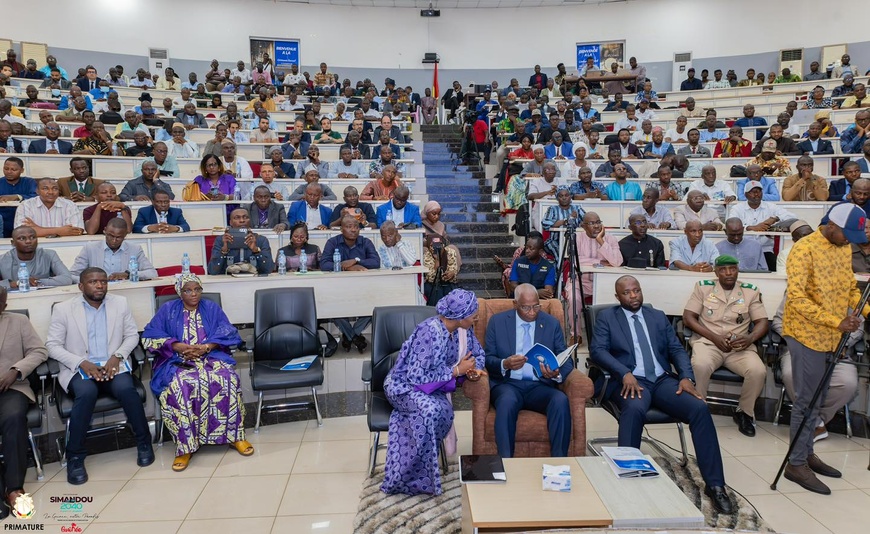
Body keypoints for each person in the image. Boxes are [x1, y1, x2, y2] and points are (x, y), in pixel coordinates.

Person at [590, 275, 732, 513]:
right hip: (631, 381)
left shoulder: (657, 316)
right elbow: (598, 351)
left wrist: (686, 377)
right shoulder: (607, 317)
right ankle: (629, 481)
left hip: (662, 379)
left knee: (699, 408)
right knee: (634, 409)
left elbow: (676, 349)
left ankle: (715, 485)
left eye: (636, 290)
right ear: (617, 296)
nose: (633, 296)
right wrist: (623, 372)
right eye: (627, 293)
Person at [782, 204, 869, 495]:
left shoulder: (843, 248)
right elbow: (797, 299)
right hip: (806, 334)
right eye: (847, 233)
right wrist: (837, 321)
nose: (850, 240)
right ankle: (795, 464)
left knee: (818, 399)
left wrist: (866, 310)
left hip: (832, 336)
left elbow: (850, 287)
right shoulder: (803, 250)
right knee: (806, 401)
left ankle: (806, 453)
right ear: (831, 225)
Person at [46, 267, 154, 485]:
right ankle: (75, 456)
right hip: (80, 368)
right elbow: (52, 345)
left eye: (103, 281)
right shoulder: (63, 309)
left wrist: (117, 356)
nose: (99, 285)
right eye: (93, 282)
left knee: (127, 390)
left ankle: (144, 443)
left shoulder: (120, 303)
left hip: (113, 364)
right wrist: (82, 363)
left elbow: (132, 336)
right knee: (86, 393)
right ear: (81, 286)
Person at [141, 273, 250, 472]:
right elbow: (150, 335)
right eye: (188, 290)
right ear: (179, 292)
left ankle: (235, 436)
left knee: (227, 379)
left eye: (197, 289)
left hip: (211, 357)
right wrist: (177, 346)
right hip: (177, 360)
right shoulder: (168, 310)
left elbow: (228, 331)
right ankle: (185, 447)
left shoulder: (211, 308)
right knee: (181, 386)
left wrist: (206, 347)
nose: (194, 294)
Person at [381, 288, 484, 495]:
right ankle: (404, 479)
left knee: (443, 412)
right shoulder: (428, 332)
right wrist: (456, 371)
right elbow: (416, 375)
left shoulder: (464, 330)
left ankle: (422, 474)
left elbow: (478, 354)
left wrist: (474, 369)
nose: (477, 318)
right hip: (403, 386)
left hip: (433, 387)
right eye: (473, 315)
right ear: (460, 316)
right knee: (430, 412)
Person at [484, 283, 574, 458]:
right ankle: (506, 462)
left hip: (540, 386)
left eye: (536, 307)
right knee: (507, 402)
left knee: (560, 400)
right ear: (515, 304)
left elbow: (565, 359)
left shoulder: (551, 323)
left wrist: (556, 373)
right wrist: (505, 364)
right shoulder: (498, 322)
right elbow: (487, 358)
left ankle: (559, 462)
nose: (532, 312)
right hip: (508, 384)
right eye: (526, 307)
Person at [683, 252, 768, 430]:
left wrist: (750, 338)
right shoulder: (703, 288)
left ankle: (744, 412)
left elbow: (762, 322)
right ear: (716, 272)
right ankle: (698, 409)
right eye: (723, 269)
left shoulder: (750, 291)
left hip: (739, 348)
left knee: (758, 371)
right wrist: (714, 337)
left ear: (738, 270)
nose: (728, 273)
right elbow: (688, 317)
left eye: (732, 269)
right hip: (709, 343)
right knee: (700, 365)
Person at [773, 294, 859, 443]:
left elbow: (858, 327)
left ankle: (815, 421)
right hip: (800, 350)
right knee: (790, 375)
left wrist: (843, 344)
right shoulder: (798, 289)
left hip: (837, 353)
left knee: (848, 384)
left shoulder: (847, 290)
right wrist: (797, 340)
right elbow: (778, 321)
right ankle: (816, 424)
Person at [0, 285, 48, 517]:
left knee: (13, 417)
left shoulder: (18, 321)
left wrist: (16, 370)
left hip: (12, 388)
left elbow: (39, 351)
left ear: (4, 305)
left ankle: (14, 488)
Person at [321, 216, 381, 351]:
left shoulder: (365, 242)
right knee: (332, 307)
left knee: (375, 306)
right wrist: (347, 267)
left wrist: (356, 260)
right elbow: (324, 264)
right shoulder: (332, 242)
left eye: (356, 227)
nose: (353, 230)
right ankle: (355, 337)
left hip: (363, 288)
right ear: (341, 229)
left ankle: (349, 336)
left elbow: (376, 262)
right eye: (349, 227)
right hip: (338, 289)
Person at [70, 218, 157, 282]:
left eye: (119, 237)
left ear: (125, 235)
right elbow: (72, 275)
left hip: (126, 290)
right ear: (105, 231)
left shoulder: (135, 249)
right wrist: (92, 281)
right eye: (111, 236)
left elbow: (152, 273)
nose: (114, 240)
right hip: (97, 292)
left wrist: (128, 274)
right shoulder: (90, 248)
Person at [0, 225, 72, 289]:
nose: (28, 241)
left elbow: (67, 278)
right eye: (22, 238)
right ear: (13, 243)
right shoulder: (2, 260)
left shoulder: (49, 254)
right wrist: (16, 283)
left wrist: (37, 282)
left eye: (32, 237)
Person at [207, 209, 274, 275]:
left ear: (250, 220)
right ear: (230, 222)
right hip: (228, 280)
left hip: (254, 280)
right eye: (237, 218)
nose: (242, 220)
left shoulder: (261, 240)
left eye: (245, 217)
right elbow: (212, 271)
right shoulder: (221, 240)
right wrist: (223, 251)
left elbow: (268, 269)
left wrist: (256, 251)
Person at [13, 178, 84, 238]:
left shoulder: (69, 205)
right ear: (37, 191)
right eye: (45, 188)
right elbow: (21, 233)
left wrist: (38, 229)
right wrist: (60, 231)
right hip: (35, 246)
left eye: (55, 189)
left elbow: (77, 230)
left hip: (64, 245)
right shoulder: (26, 205)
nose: (51, 192)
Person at [508, 234, 555, 299]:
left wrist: (524, 291)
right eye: (526, 248)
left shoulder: (549, 267)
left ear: (540, 252)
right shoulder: (518, 262)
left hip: (539, 301)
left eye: (531, 248)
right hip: (520, 299)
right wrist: (536, 293)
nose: (527, 251)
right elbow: (513, 286)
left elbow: (548, 292)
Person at [0, 157, 37, 238]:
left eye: (13, 169)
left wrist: (17, 197)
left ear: (22, 170)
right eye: (6, 168)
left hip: (25, 221)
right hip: (3, 222)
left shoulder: (29, 182)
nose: (9, 172)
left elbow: (36, 197)